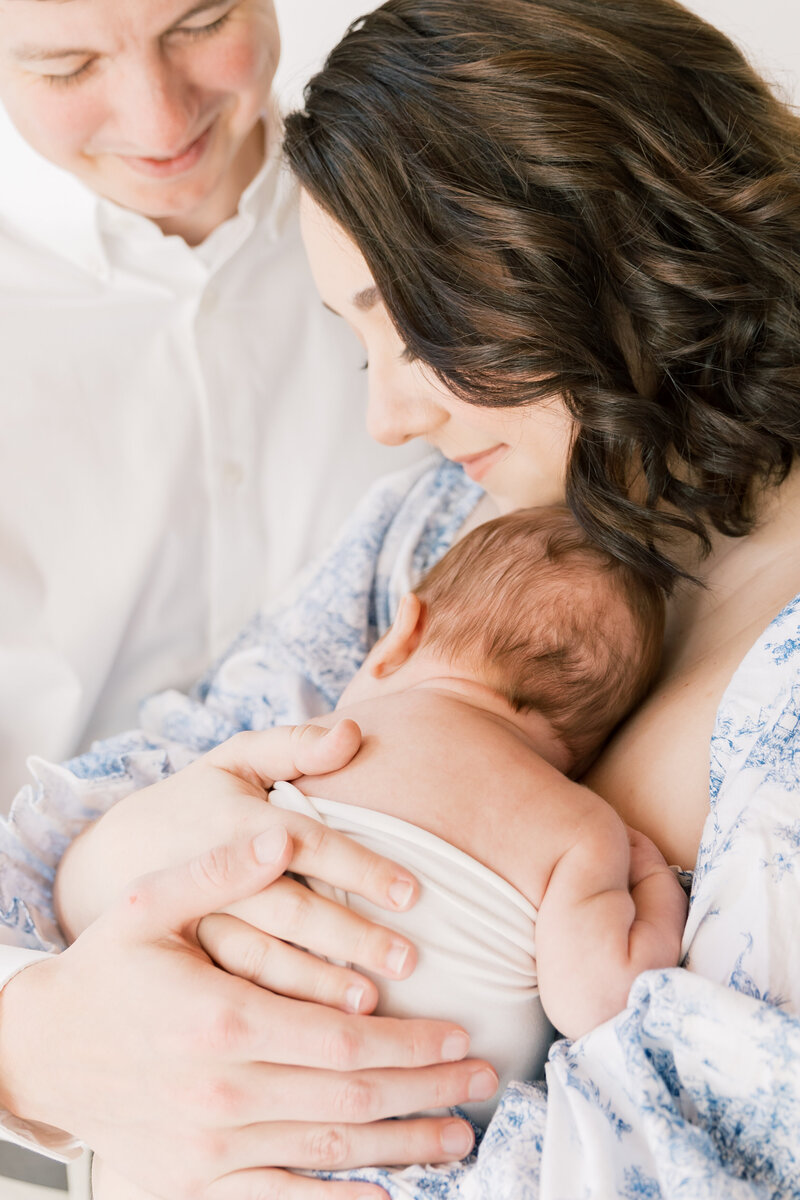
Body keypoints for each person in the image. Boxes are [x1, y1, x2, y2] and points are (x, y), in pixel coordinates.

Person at [2, 0, 800, 1194]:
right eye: (356, 342)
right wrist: (47, 1029)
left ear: (589, 245)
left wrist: (257, 1139)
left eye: (416, 333)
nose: (388, 415)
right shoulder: (434, 529)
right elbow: (57, 836)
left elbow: (703, 1161)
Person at [59, 504, 688, 1200]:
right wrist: (655, 882)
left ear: (402, 635)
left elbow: (133, 892)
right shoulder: (579, 826)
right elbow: (599, 999)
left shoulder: (319, 742)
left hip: (214, 1099)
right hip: (412, 1156)